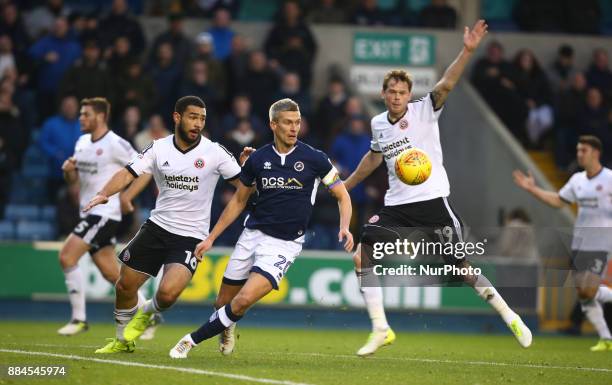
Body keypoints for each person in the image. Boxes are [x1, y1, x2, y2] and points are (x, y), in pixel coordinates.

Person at [343, 20, 532, 357]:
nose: (398, 97)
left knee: (462, 268)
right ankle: (381, 328)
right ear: (384, 93)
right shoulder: (377, 124)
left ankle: (510, 315)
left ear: (408, 95)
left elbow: (447, 83)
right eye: (392, 92)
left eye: (403, 92)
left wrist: (468, 51)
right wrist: (346, 185)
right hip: (396, 207)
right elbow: (373, 159)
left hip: (432, 202)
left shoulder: (425, 110)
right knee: (362, 255)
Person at [168, 98, 353, 358]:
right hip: (251, 235)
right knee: (223, 304)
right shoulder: (258, 159)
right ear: (273, 124)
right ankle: (227, 326)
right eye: (288, 122)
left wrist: (344, 227)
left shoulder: (315, 158)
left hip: (284, 245)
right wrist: (211, 238)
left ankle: (189, 341)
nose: (294, 128)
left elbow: (343, 196)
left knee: (242, 301)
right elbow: (238, 201)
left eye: (297, 122)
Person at [83, 96, 245, 354]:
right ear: (177, 117)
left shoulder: (215, 152)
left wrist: (248, 170)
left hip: (191, 236)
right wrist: (105, 193)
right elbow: (128, 172)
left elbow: (243, 187)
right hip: (157, 227)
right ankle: (122, 340)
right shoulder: (158, 148)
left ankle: (147, 312)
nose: (198, 123)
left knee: (167, 295)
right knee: (124, 286)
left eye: (202, 118)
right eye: (193, 117)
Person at [513, 135, 612, 351]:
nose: (579, 154)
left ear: (596, 153)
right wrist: (532, 188)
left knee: (589, 288)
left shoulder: (609, 179)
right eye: (578, 150)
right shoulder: (577, 180)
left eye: (583, 151)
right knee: (584, 293)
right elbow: (558, 201)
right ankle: (606, 338)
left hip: (601, 243)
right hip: (579, 243)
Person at [56, 97, 140, 335]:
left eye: (86, 114)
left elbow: (142, 169)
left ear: (101, 117)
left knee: (67, 257)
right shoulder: (82, 142)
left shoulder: (116, 144)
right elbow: (74, 181)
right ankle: (145, 311)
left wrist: (126, 197)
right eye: (81, 114)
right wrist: (68, 173)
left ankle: (79, 319)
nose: (81, 118)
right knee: (112, 273)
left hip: (105, 213)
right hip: (88, 212)